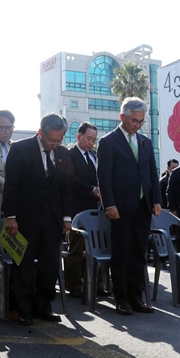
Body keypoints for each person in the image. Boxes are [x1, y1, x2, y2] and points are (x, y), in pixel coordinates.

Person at [3, 113, 72, 325]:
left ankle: (43, 306)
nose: (55, 144)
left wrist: (67, 217)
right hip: (24, 218)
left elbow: (66, 188)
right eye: (52, 140)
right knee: (23, 265)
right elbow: (11, 185)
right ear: (41, 132)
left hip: (53, 219)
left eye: (59, 140)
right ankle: (23, 309)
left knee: (49, 265)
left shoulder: (63, 154)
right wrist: (11, 216)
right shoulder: (21, 149)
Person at [97, 97, 161, 316]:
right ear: (122, 117)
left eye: (141, 121)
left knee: (138, 253)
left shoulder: (145, 142)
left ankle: (136, 297)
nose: (138, 125)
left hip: (143, 206)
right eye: (134, 120)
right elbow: (103, 177)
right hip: (120, 208)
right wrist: (110, 204)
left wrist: (156, 200)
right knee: (122, 253)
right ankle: (121, 298)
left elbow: (152, 172)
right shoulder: (108, 141)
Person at [66, 121, 101, 298]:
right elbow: (70, 178)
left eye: (94, 139)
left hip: (96, 209)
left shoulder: (94, 156)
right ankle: (73, 284)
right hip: (77, 207)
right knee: (76, 247)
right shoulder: (69, 154)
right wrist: (92, 190)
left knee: (96, 247)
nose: (91, 142)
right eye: (88, 138)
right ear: (78, 136)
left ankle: (97, 283)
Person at [0, 110, 15, 212]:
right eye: (3, 128)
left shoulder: (16, 147)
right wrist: (8, 186)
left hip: (12, 205)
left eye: (10, 127)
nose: (7, 131)